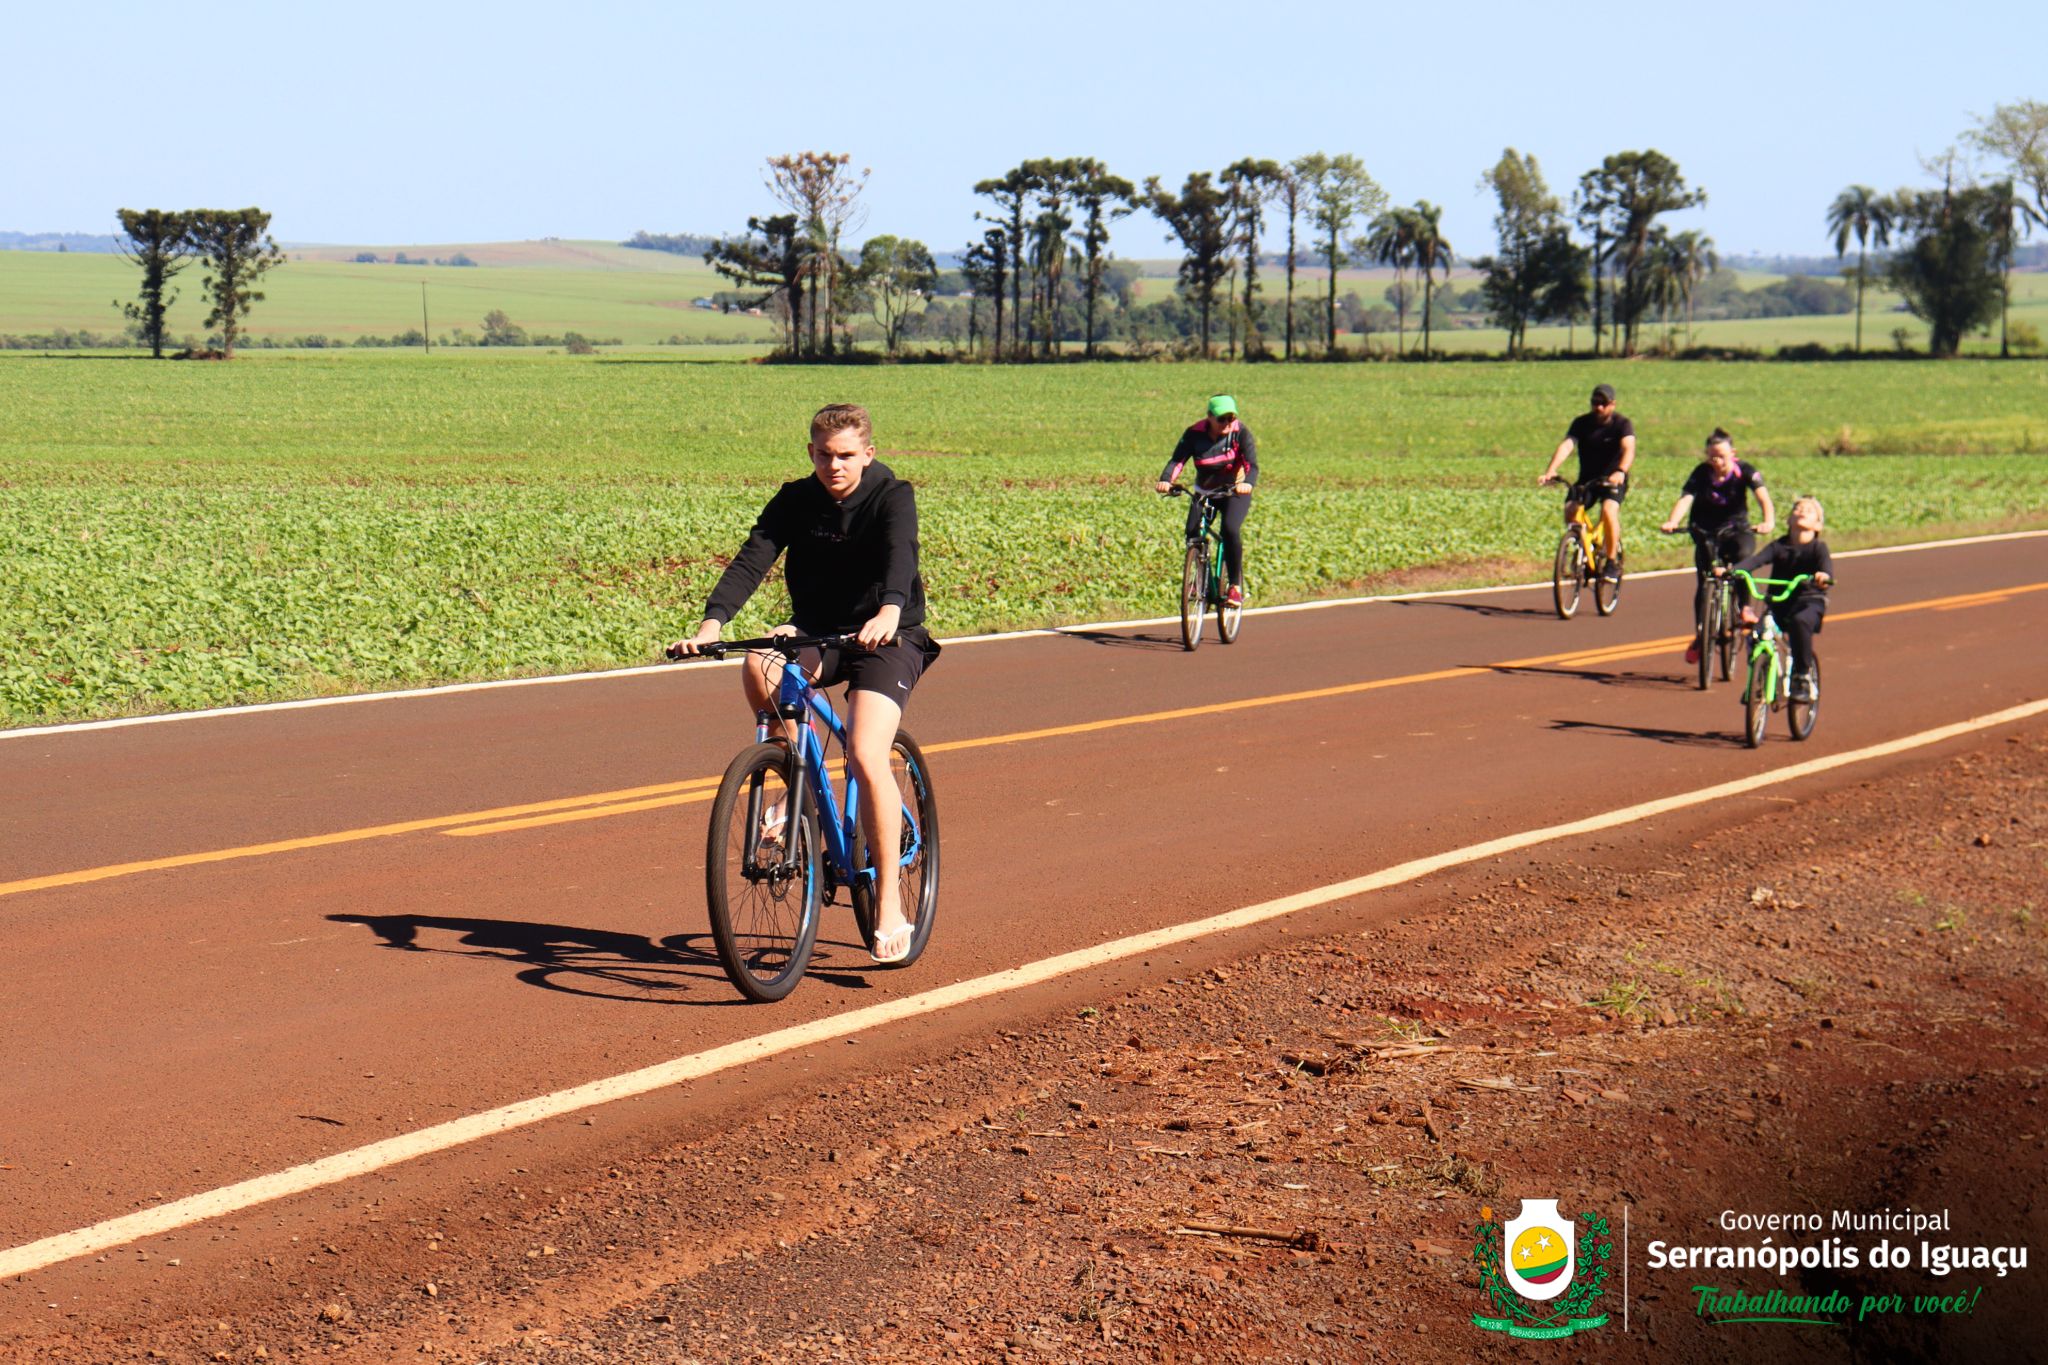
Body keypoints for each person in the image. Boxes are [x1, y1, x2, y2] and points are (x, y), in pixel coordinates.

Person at [670, 403, 940, 964]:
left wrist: (890, 610)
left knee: (867, 753)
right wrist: (710, 625)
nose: (833, 466)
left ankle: (889, 901)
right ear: (810, 452)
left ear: (867, 453)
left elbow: (899, 554)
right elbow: (753, 559)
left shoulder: (893, 495)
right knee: (760, 664)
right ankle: (793, 782)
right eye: (823, 455)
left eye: (845, 456)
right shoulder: (796, 498)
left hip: (886, 639)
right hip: (818, 632)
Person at [1659, 428, 1776, 665]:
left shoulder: (1745, 471)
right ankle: (1702, 633)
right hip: (1705, 530)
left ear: (1733, 453)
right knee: (1704, 581)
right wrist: (1673, 521)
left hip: (1736, 530)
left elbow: (1763, 497)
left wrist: (1768, 521)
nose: (1716, 462)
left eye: (1721, 456)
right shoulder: (1701, 473)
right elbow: (1686, 498)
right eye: (1711, 456)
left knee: (1742, 560)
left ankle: (1744, 608)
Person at [1155, 394, 1257, 606]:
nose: (1228, 423)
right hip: (1205, 492)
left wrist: (1247, 483)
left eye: (1231, 418)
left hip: (1234, 492)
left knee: (1229, 529)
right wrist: (1166, 480)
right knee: (1193, 532)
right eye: (1222, 419)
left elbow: (1251, 465)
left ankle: (1234, 587)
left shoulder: (1241, 433)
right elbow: (1178, 460)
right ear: (1209, 417)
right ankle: (1198, 580)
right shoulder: (1194, 434)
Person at [1727, 495, 1832, 701]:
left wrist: (1823, 577)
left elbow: (1826, 571)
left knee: (1799, 622)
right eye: (1797, 508)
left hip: (1809, 601)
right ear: (1788, 519)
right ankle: (1760, 678)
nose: (1801, 511)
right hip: (1779, 602)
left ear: (1817, 524)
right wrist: (1731, 571)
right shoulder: (1779, 546)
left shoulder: (1818, 548)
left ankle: (1802, 677)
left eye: (1808, 510)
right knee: (1756, 634)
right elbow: (1756, 561)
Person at [1538, 383, 1635, 580]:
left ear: (1612, 404)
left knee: (1608, 510)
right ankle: (1582, 546)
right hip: (1588, 479)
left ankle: (1611, 562)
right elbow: (1567, 445)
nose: (1598, 407)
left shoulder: (1622, 424)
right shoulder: (1581, 423)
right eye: (1595, 402)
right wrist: (1550, 471)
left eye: (1603, 403)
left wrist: (1621, 471)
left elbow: (1628, 449)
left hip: (1612, 479)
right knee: (1571, 509)